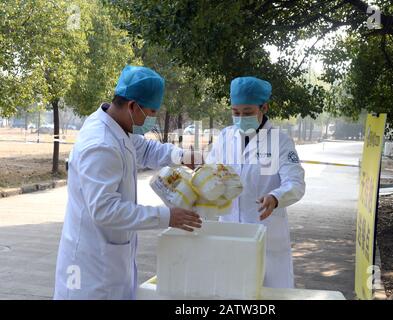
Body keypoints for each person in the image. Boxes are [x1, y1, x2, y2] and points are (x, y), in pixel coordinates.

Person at [54, 65, 202, 300]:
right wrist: (167, 216)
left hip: (109, 261)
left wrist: (183, 157)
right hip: (91, 272)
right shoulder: (100, 144)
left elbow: (145, 149)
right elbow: (104, 210)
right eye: (151, 114)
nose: (151, 122)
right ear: (133, 106)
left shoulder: (116, 128)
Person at [206, 76, 305, 288]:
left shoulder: (280, 141)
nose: (241, 118)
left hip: (267, 238)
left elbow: (296, 183)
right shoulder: (225, 137)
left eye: (248, 112)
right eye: (235, 112)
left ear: (264, 107)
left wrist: (276, 197)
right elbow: (211, 172)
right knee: (231, 293)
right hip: (230, 233)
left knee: (268, 294)